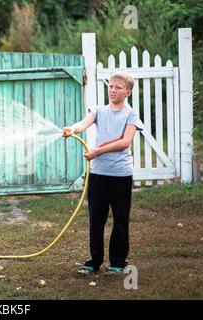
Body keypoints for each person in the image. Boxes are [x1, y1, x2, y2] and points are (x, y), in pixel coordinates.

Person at [63, 70, 143, 275]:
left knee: (120, 218)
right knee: (96, 219)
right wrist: (72, 129)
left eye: (118, 87)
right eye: (111, 86)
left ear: (128, 92)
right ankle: (94, 260)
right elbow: (83, 124)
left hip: (121, 175)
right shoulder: (98, 110)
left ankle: (118, 261)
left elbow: (125, 142)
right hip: (98, 174)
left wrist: (98, 151)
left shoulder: (131, 114)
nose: (113, 90)